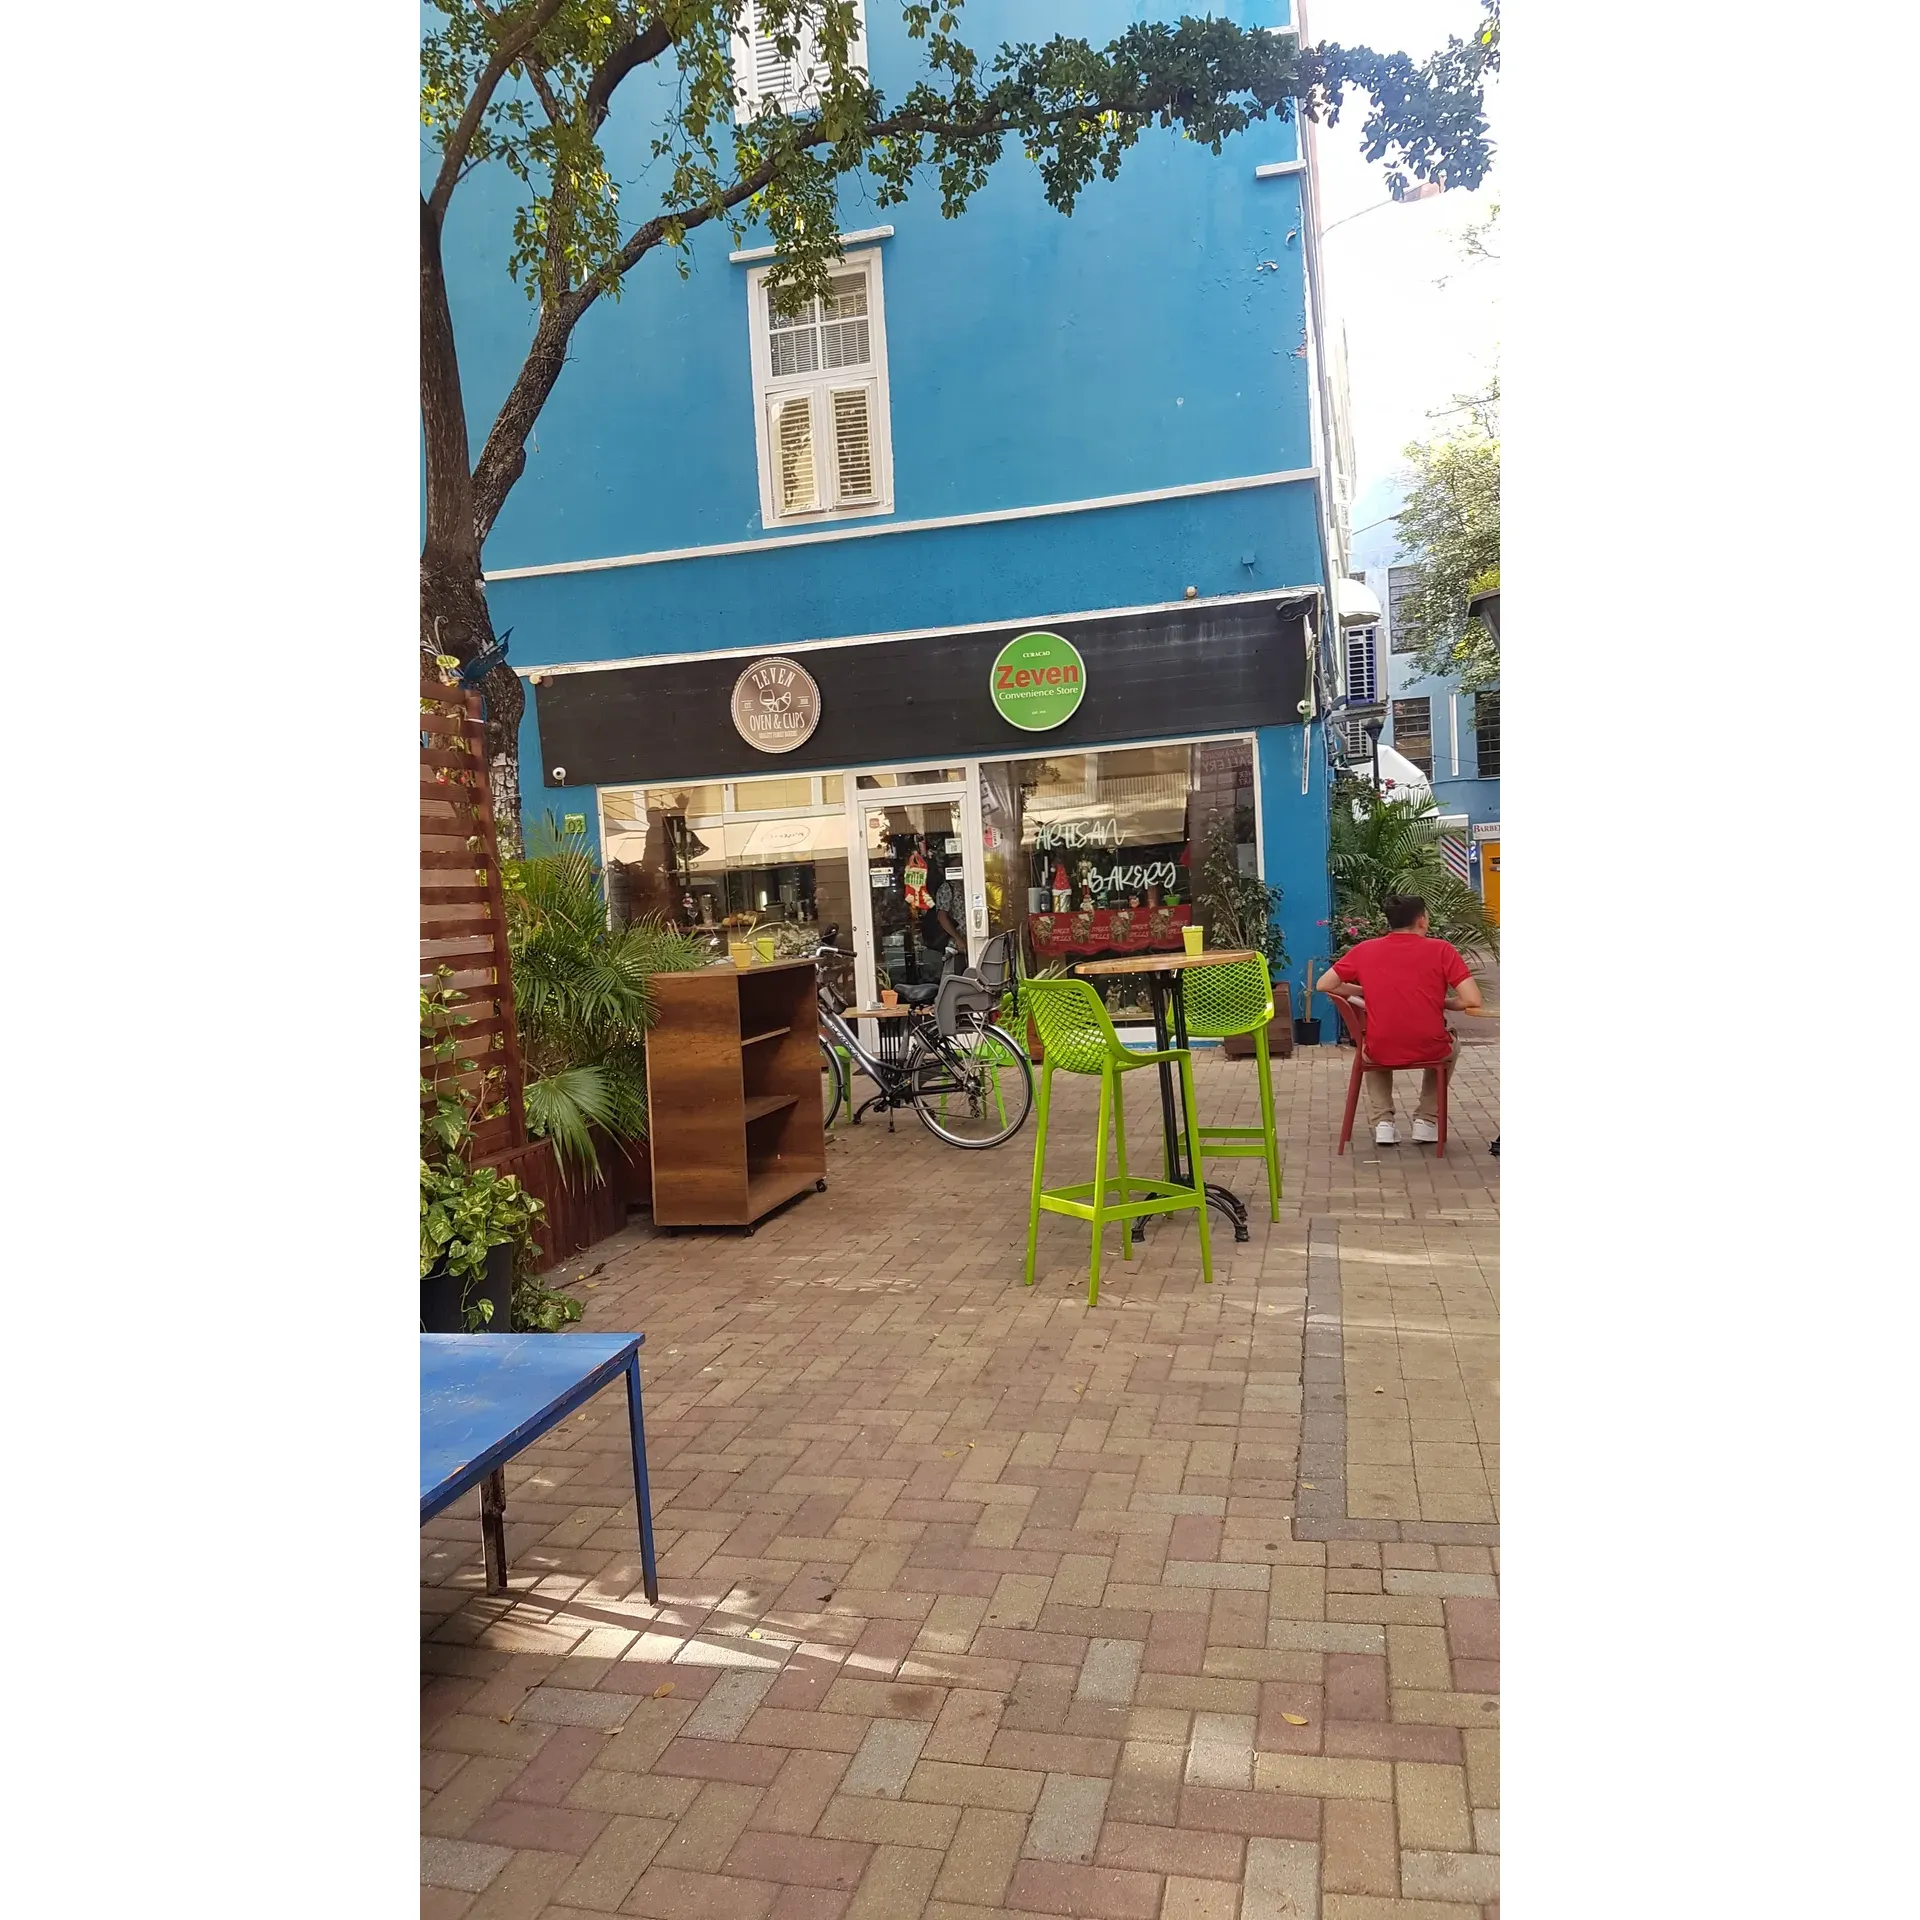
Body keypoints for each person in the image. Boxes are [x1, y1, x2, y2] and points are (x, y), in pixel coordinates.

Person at [1316, 895, 1482, 1146]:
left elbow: (1324, 985)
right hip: (1430, 1045)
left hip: (1381, 1046)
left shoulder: (1364, 950)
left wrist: (1366, 990)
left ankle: (1383, 1123)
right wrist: (1441, 1002)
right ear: (1422, 921)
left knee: (1371, 1047)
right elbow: (1472, 999)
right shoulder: (1441, 950)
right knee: (1451, 1045)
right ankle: (1426, 1121)